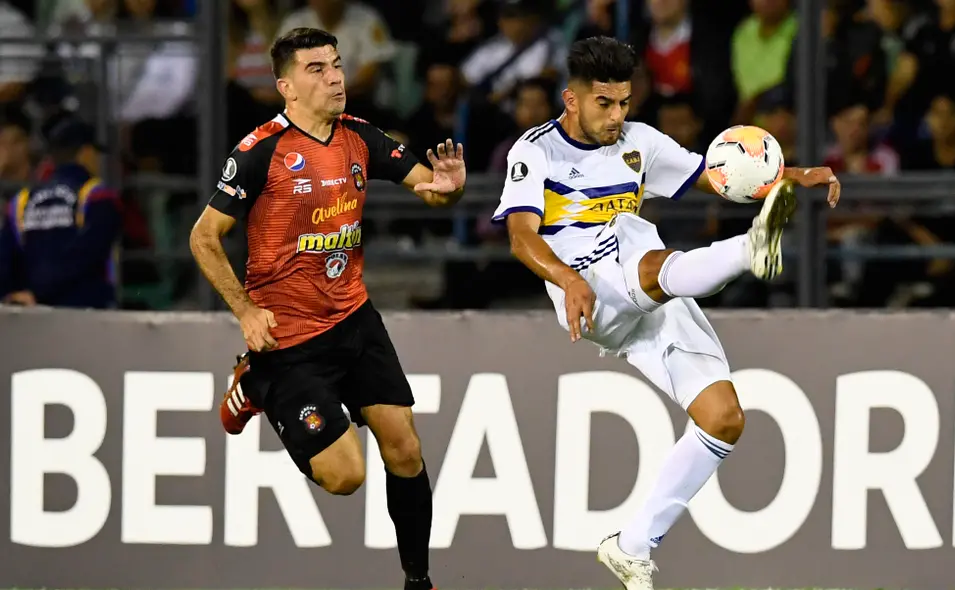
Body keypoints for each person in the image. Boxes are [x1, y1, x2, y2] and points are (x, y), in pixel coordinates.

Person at [491, 36, 840, 590]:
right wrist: (566, 279)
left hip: (646, 286)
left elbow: (715, 175)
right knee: (645, 248)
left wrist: (793, 176)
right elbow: (519, 236)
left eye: (624, 102)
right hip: (586, 288)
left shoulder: (640, 142)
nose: (617, 115)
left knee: (724, 419)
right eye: (604, 104)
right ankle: (750, 249)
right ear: (571, 99)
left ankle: (631, 546)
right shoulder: (535, 152)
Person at [188, 27, 466, 590]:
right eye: (317, 69)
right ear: (286, 86)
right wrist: (244, 311)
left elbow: (432, 189)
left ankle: (419, 581)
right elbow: (203, 238)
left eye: (337, 65)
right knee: (345, 478)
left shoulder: (361, 137)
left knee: (405, 447)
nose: (335, 77)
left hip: (353, 317)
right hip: (287, 340)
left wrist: (450, 187)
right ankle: (254, 384)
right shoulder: (259, 151)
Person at [0, 117, 121, 308]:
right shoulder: (96, 195)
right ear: (85, 153)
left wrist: (18, 295)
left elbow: (5, 259)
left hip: (31, 313)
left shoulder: (21, 201)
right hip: (88, 312)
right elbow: (88, 254)